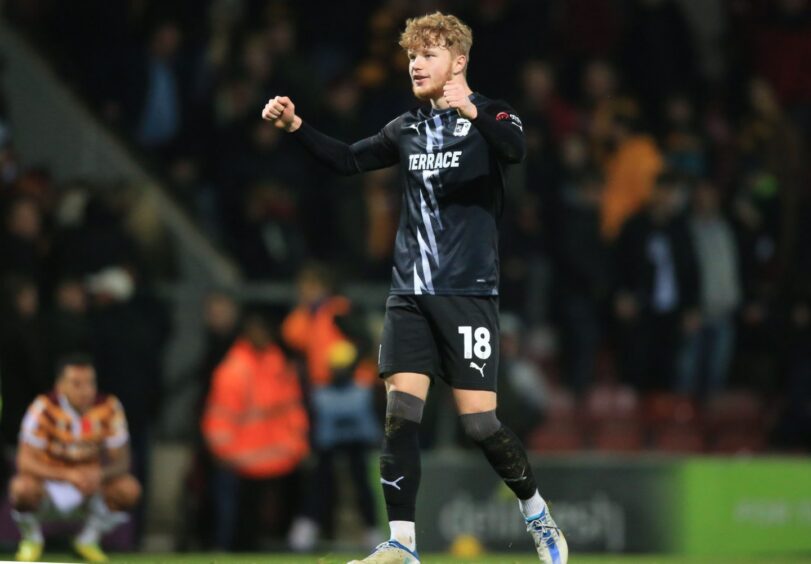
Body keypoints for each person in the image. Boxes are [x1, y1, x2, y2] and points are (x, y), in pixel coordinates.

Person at [262, 11, 567, 564]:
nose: (416, 65)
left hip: (469, 294)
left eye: (428, 54)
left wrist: (471, 109)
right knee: (400, 415)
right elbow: (351, 159)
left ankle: (539, 517)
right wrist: (297, 128)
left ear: (459, 59)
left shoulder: (494, 114)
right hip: (409, 297)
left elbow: (516, 150)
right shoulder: (406, 129)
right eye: (411, 57)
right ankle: (402, 543)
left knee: (480, 424)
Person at [8, 354, 141, 563]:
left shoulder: (109, 407)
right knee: (21, 489)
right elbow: (24, 461)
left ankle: (88, 540)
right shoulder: (44, 408)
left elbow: (122, 461)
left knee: (129, 489)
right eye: (77, 384)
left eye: (90, 383)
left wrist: (100, 474)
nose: (86, 390)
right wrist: (68, 475)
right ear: (60, 385)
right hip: (50, 486)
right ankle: (32, 539)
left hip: (90, 486)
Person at [201, 310, 309, 551]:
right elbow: (221, 416)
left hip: (273, 454)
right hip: (239, 457)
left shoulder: (278, 365)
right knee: (233, 517)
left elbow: (291, 408)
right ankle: (224, 547)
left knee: (261, 517)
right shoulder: (235, 369)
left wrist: (297, 443)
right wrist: (222, 451)